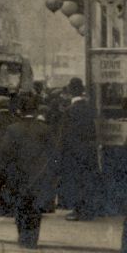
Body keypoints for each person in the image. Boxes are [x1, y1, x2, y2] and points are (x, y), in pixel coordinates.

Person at [0, 92, 56, 250]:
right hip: (39, 177)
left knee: (20, 207)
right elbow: (54, 155)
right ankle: (33, 240)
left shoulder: (12, 129)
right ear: (36, 111)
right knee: (36, 211)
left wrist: (4, 175)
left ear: (20, 111)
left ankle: (23, 236)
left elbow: (4, 154)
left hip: (18, 177)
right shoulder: (45, 129)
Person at [59, 77, 99, 220]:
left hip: (74, 152)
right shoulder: (90, 109)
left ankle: (78, 211)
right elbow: (93, 131)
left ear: (70, 90)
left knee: (75, 181)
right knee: (87, 180)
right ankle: (88, 210)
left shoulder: (69, 111)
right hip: (89, 150)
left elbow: (64, 135)